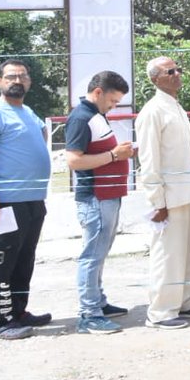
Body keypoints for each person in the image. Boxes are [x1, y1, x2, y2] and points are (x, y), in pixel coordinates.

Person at [136, 57, 190, 330]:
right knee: (167, 255)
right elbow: (150, 161)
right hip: (169, 198)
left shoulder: (175, 107)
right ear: (156, 79)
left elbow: (189, 155)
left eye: (178, 69)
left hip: (187, 193)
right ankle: (161, 312)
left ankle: (183, 301)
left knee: (188, 252)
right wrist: (157, 201)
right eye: (170, 71)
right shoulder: (152, 111)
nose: (177, 74)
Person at [64, 70, 136, 335]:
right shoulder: (81, 118)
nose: (114, 106)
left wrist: (118, 155)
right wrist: (114, 155)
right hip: (95, 197)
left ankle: (98, 302)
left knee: (99, 252)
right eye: (113, 101)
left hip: (107, 196)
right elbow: (73, 161)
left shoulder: (95, 116)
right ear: (98, 93)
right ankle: (89, 313)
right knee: (92, 255)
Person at [0, 60, 55, 340]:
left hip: (33, 200)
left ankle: (17, 312)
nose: (17, 80)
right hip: (6, 201)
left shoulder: (26, 111)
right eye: (10, 76)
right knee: (1, 262)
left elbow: (41, 133)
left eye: (22, 76)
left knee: (24, 259)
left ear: (29, 82)